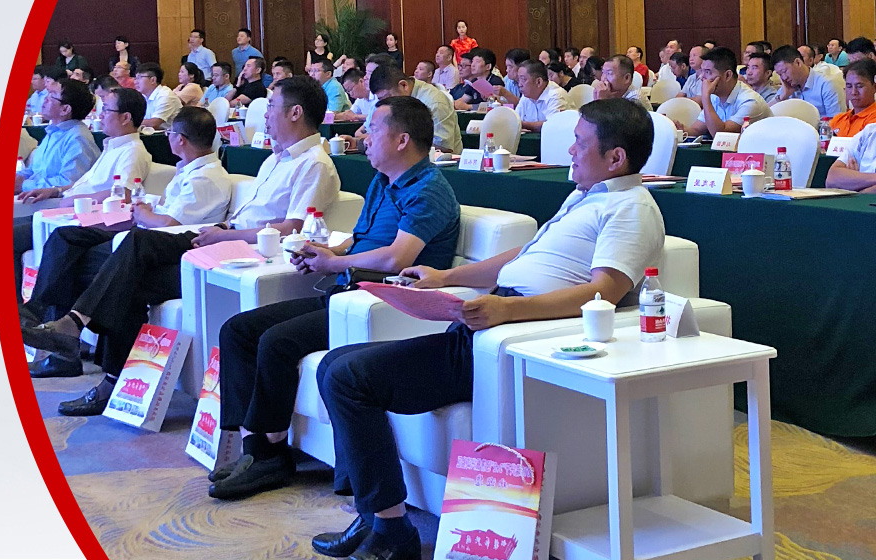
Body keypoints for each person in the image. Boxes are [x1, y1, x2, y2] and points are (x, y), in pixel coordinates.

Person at [309, 98, 665, 560]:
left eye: (579, 143)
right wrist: (445, 278)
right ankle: (374, 513)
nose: (570, 152)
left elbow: (604, 293)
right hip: (489, 323)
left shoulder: (631, 208)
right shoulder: (586, 196)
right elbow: (523, 257)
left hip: (515, 338)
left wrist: (507, 310)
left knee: (348, 377)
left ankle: (391, 533)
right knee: (336, 362)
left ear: (615, 157)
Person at [205, 94, 461, 502]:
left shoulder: (428, 189)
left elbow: (397, 258)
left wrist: (333, 263)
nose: (363, 136)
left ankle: (269, 456)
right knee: (239, 330)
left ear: (402, 140)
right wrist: (324, 253)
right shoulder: (382, 181)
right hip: (347, 291)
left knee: (276, 342)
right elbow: (360, 242)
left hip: (385, 303)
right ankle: (251, 445)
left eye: (372, 129)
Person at [24, 84, 338, 395]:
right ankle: (109, 378)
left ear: (295, 112)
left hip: (245, 248)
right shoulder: (275, 160)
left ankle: (74, 330)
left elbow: (294, 228)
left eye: (271, 106)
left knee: (137, 245)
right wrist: (221, 232)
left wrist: (224, 233)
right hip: (223, 237)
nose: (265, 114)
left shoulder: (314, 163)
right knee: (127, 274)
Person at [20, 109, 234, 383]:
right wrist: (145, 211)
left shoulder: (206, 177)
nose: (167, 138)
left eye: (170, 133)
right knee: (67, 237)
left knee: (84, 266)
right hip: (146, 239)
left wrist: (145, 214)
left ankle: (65, 341)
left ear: (180, 139)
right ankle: (41, 314)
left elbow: (170, 224)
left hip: (165, 248)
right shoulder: (189, 169)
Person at [10, 87, 152, 305]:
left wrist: (73, 200)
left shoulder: (132, 151)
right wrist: (57, 190)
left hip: (83, 217)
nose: (100, 116)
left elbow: (123, 193)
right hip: (66, 208)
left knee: (8, 236)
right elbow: (84, 183)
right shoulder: (112, 145)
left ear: (125, 118)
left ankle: (18, 308)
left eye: (106, 110)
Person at [15, 78, 102, 196]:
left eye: (52, 96)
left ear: (65, 109)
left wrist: (24, 185)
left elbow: (68, 183)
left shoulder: (78, 138)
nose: (45, 99)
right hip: (34, 195)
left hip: (55, 201)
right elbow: (35, 170)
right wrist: (19, 177)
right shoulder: (54, 131)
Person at [366, 64, 463, 152]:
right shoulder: (392, 101)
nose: (387, 103)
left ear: (403, 85)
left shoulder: (434, 101)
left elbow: (443, 147)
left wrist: (394, 144)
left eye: (388, 97)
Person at [687, 47, 769, 137]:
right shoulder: (714, 97)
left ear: (727, 75)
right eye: (702, 71)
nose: (702, 78)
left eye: (707, 72)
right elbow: (696, 129)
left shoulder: (750, 101)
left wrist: (705, 96)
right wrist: (679, 130)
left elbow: (721, 135)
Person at [774, 45, 845, 119]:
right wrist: (782, 97)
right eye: (780, 74)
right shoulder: (788, 86)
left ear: (798, 62)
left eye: (784, 71)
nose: (784, 77)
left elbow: (837, 122)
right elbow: (768, 114)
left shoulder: (827, 84)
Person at [515, 60, 573, 131]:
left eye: (523, 79)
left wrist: (522, 124)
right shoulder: (526, 96)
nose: (519, 84)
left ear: (539, 82)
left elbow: (553, 125)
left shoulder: (556, 95)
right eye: (518, 80)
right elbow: (517, 118)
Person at [829, 60, 876, 136]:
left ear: (874, 87)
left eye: (859, 86)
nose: (853, 92)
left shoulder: (873, 121)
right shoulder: (838, 120)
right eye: (849, 86)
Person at [135, 63, 181, 129]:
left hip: (169, 134)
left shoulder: (165, 95)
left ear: (153, 80)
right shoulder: (143, 96)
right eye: (135, 78)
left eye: (139, 78)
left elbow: (154, 123)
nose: (135, 82)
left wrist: (131, 122)